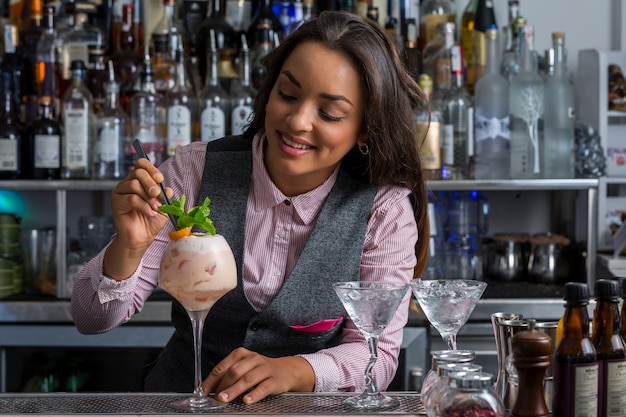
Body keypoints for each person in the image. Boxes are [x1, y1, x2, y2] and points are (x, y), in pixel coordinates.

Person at [71, 10, 430, 405]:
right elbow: (91, 321)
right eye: (288, 95)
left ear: (365, 128)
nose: (297, 120)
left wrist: (295, 370)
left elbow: (376, 356)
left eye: (329, 113)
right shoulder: (193, 171)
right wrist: (129, 247)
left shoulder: (384, 210)